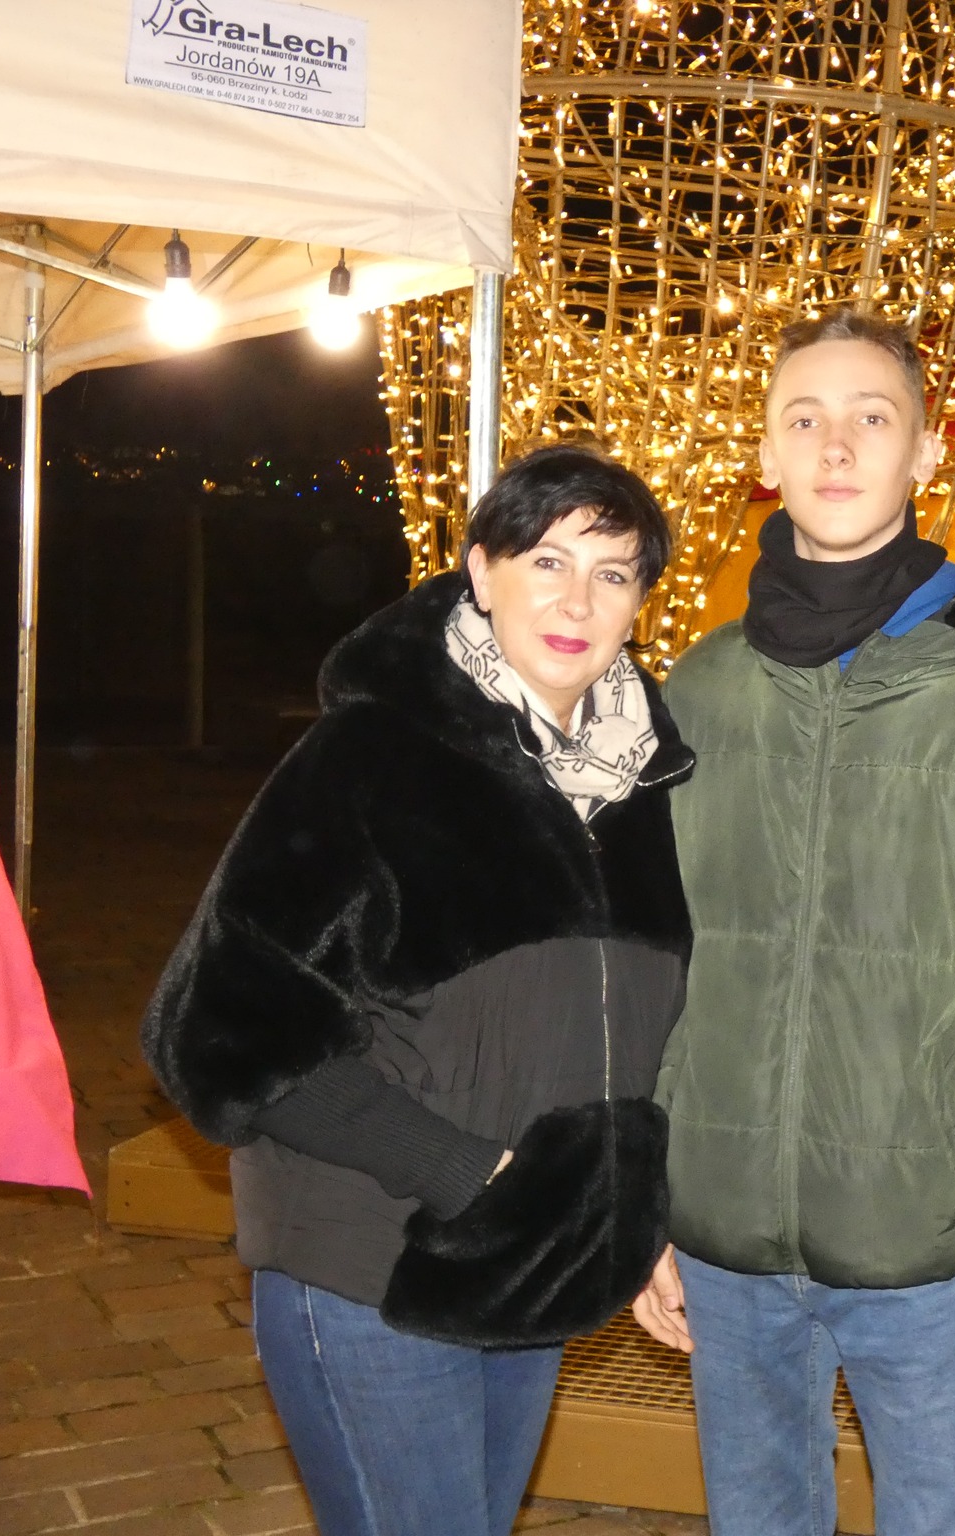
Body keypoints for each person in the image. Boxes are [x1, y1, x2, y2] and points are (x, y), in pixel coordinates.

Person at [141, 446, 692, 1536]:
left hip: (527, 1266)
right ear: (481, 570)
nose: (577, 601)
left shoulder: (638, 788)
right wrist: (466, 1174)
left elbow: (612, 1036)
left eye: (613, 573)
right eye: (546, 561)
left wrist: (619, 1214)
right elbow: (217, 1030)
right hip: (370, 1265)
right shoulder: (371, 755)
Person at [635, 305, 955, 1536]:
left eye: (871, 418)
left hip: (927, 1238)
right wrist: (643, 1194)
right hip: (724, 1232)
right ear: (764, 451)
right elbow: (651, 956)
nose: (835, 446)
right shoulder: (697, 691)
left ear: (925, 452)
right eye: (805, 418)